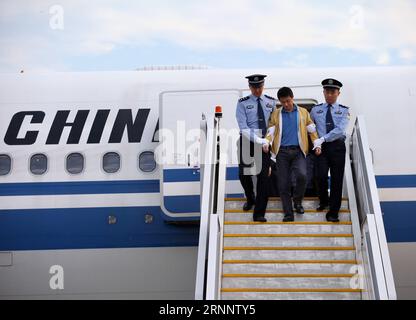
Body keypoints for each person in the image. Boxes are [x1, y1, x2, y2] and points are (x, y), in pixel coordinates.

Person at [264, 87, 322, 222]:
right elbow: (270, 132)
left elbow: (312, 131)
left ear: (292, 98)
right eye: (283, 102)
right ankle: (288, 213)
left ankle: (297, 201)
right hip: (281, 152)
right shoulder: (276, 114)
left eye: (288, 101)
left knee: (302, 176)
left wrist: (317, 144)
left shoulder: (303, 113)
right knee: (283, 183)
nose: (286, 104)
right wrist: (266, 142)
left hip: (298, 151)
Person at [236, 74, 277, 222]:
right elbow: (243, 127)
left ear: (263, 85)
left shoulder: (271, 102)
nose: (257, 90)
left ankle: (259, 213)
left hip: (265, 142)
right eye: (254, 87)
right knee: (243, 174)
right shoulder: (242, 103)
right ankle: (250, 198)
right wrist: (260, 140)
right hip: (248, 140)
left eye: (259, 87)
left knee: (263, 178)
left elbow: (273, 124)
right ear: (250, 87)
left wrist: (268, 141)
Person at [310, 78, 350, 223]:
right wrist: (316, 142)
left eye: (333, 92)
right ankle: (324, 200)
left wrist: (323, 139)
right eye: (327, 91)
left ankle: (334, 212)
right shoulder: (315, 110)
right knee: (320, 176)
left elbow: (340, 130)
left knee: (336, 179)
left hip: (337, 147)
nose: (329, 94)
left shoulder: (344, 111)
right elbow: (310, 128)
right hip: (321, 148)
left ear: (338, 93)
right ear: (323, 92)